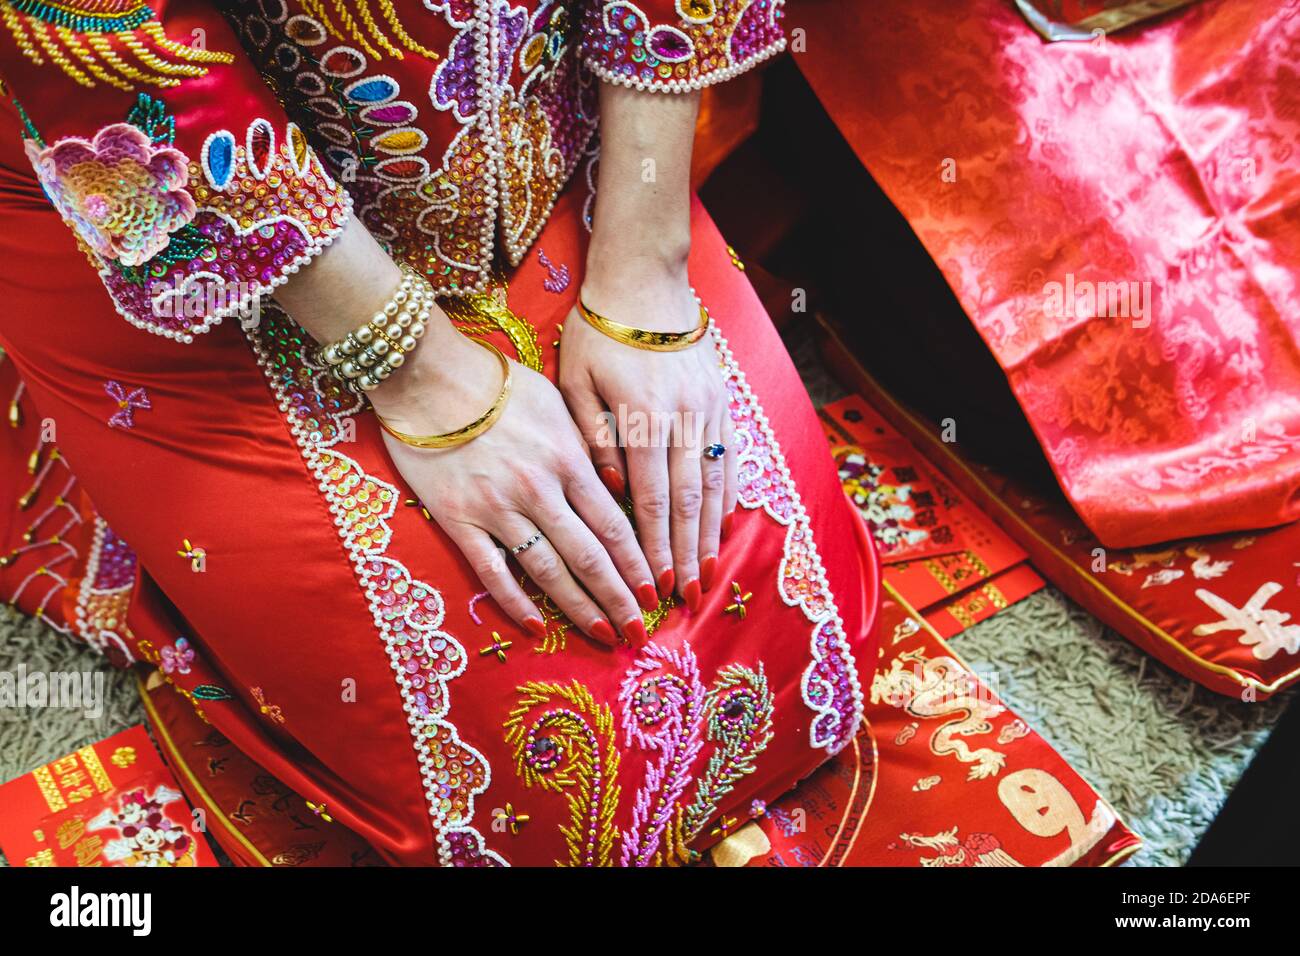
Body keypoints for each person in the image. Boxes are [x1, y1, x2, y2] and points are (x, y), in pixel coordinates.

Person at [0, 0, 877, 865]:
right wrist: (417, 377)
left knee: (807, 657)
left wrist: (645, 266)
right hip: (230, 226)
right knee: (535, 810)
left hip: (560, 140)